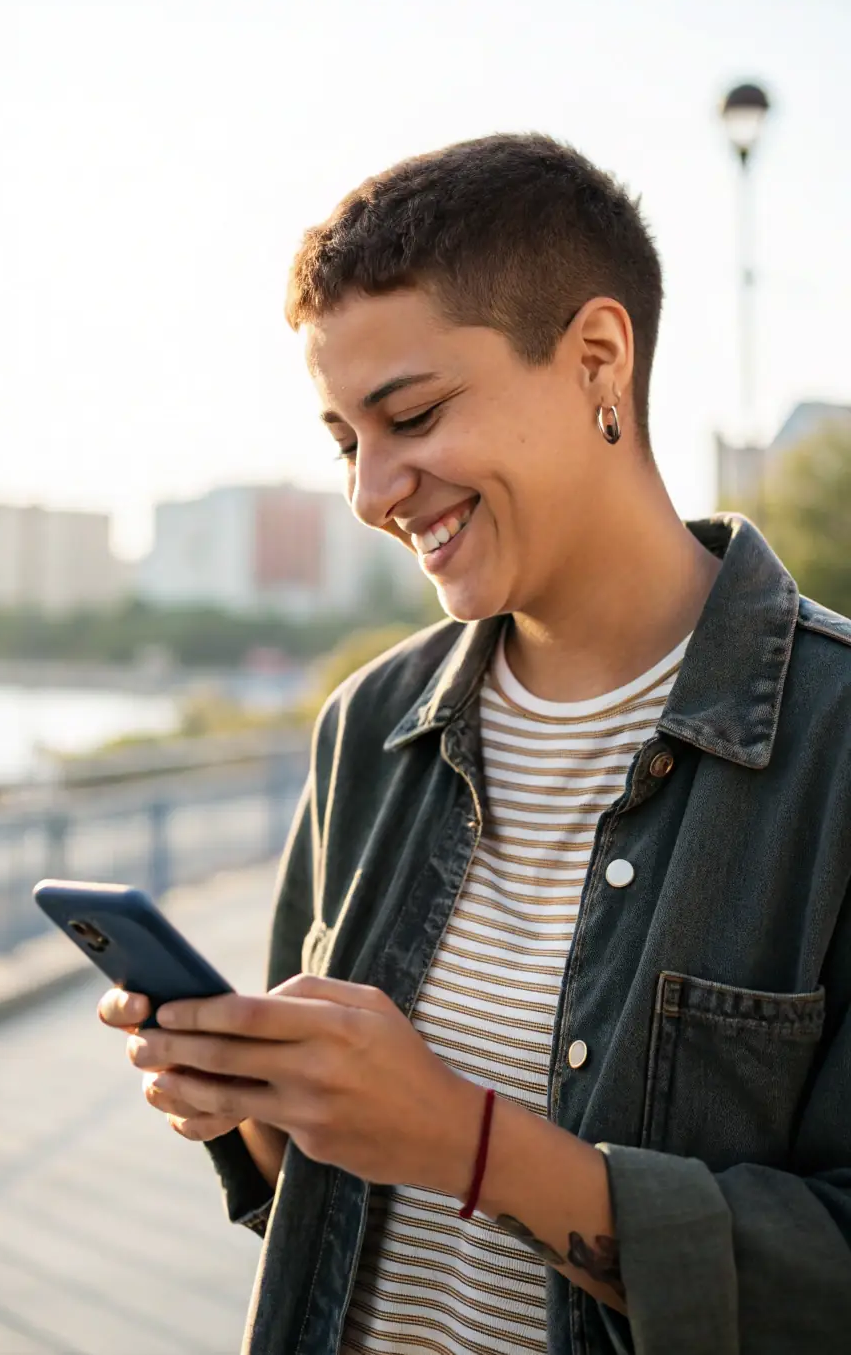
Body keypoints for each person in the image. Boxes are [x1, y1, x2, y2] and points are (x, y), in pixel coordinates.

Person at [99, 134, 851, 1354]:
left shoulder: (833, 747)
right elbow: (329, 1200)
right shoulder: (369, 723)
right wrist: (248, 1101)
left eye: (412, 415)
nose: (371, 491)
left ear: (597, 359)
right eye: (347, 441)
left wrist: (467, 1140)